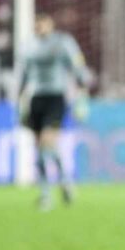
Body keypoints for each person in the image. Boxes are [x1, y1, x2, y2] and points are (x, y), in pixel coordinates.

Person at [19, 14, 90, 211]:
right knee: (43, 148)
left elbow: (78, 68)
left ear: (51, 25)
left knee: (45, 145)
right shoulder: (28, 46)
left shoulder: (63, 43)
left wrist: (83, 95)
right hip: (36, 99)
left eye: (42, 24)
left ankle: (45, 195)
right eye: (36, 25)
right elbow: (24, 75)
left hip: (56, 98)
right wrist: (20, 101)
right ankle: (66, 182)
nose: (39, 28)